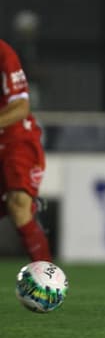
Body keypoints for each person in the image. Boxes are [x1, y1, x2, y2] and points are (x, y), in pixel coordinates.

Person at [0, 39, 51, 262]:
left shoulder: (3, 53)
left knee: (18, 202)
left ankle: (47, 277)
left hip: (16, 140)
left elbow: (20, 107)